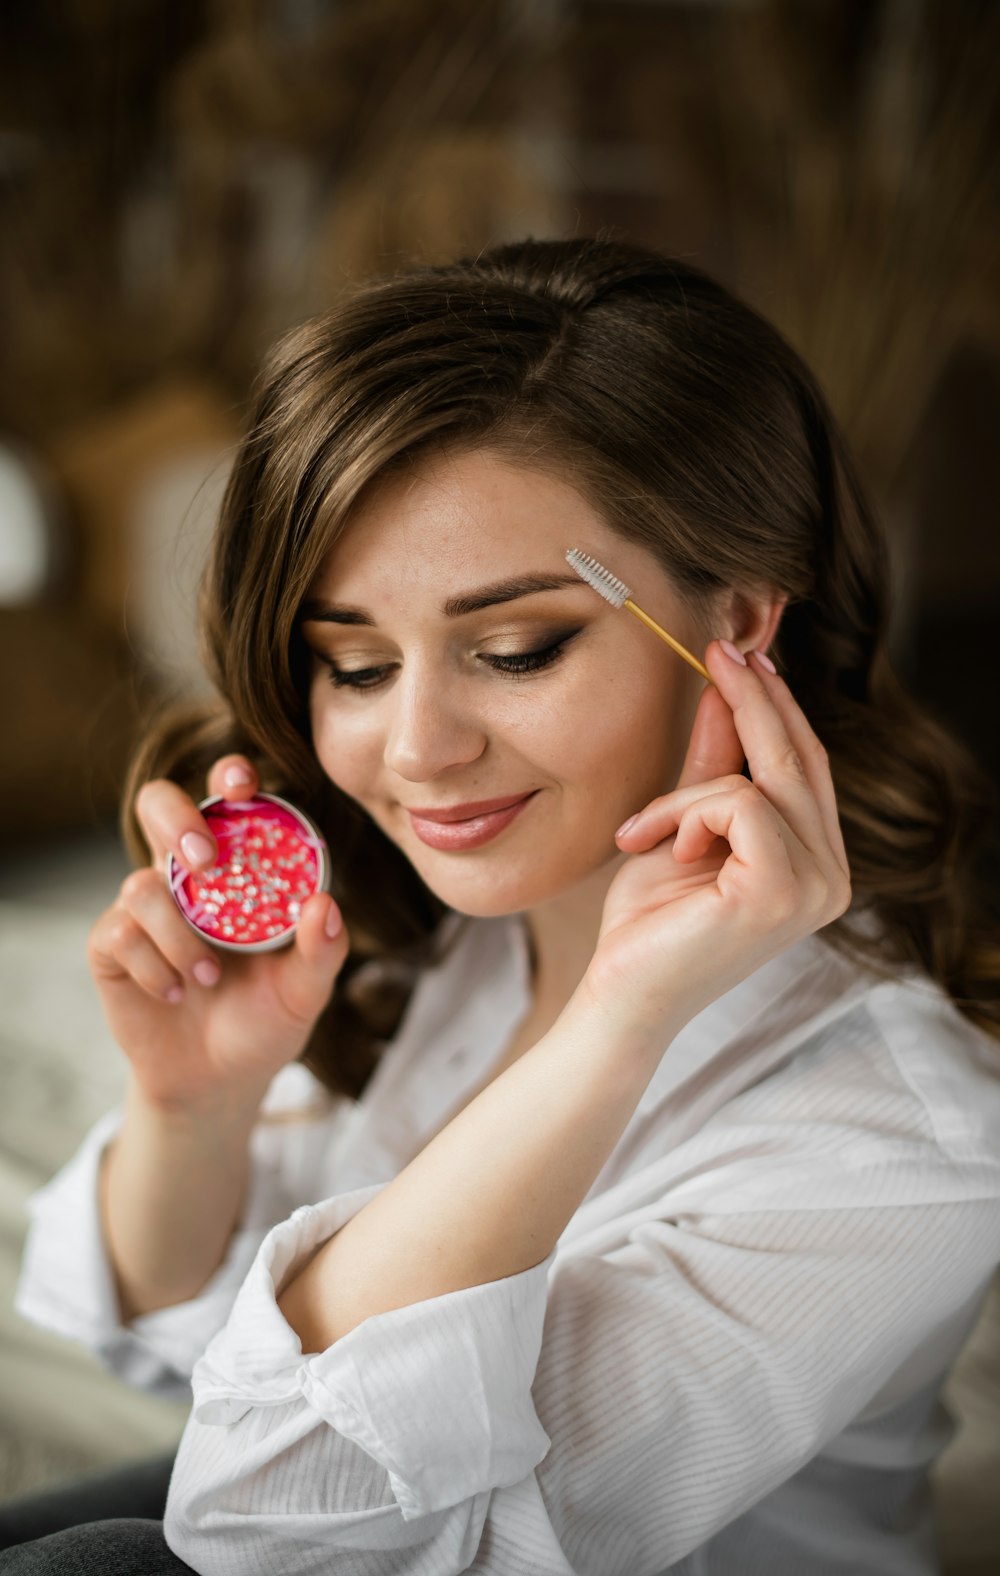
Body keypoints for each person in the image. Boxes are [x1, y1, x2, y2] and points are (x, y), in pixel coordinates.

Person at [5, 236, 999, 1576]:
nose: (416, 750)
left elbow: (283, 1519)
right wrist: (199, 1102)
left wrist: (614, 1028)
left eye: (517, 648)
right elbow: (195, 1346)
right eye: (352, 664)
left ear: (744, 623)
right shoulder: (453, 939)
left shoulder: (898, 1142)